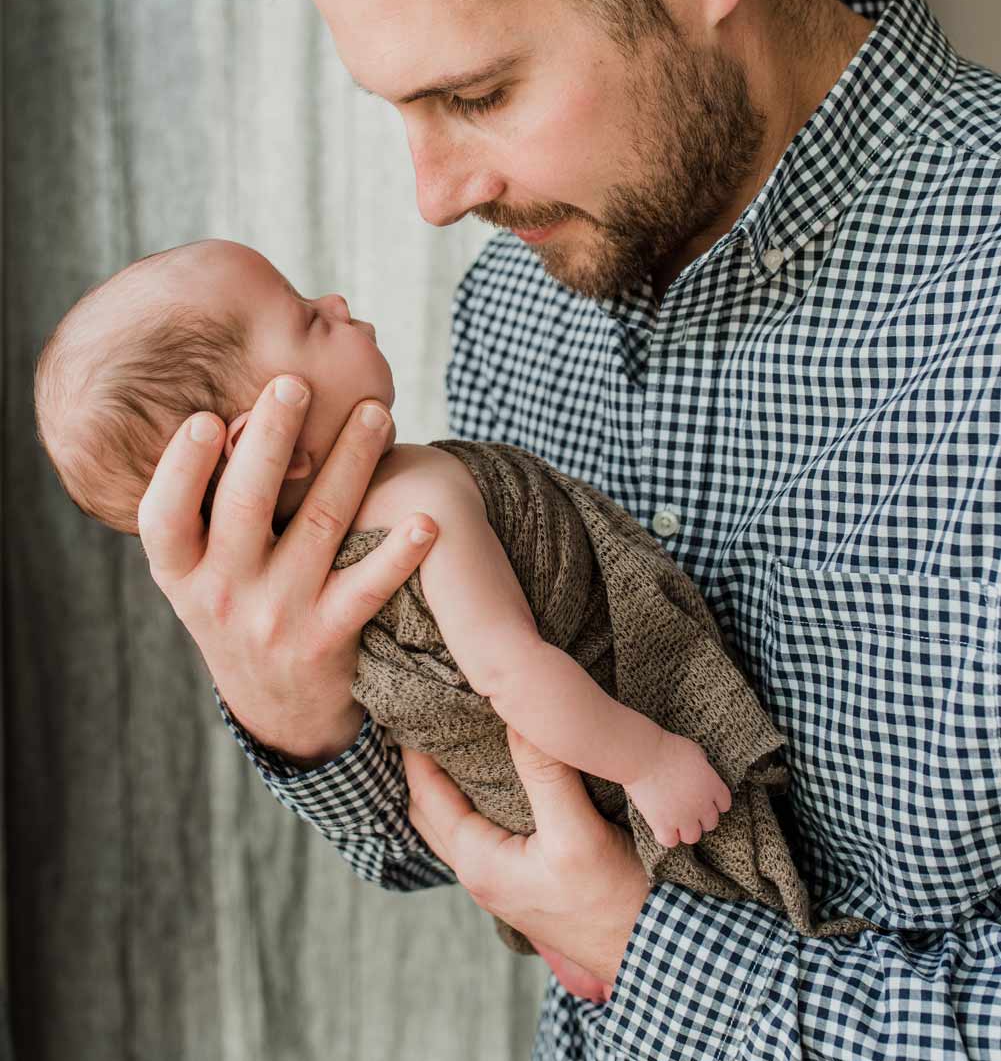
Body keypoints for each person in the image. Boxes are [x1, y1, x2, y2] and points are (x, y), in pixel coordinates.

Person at [139, 0, 1001, 1061]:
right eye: (398, 113)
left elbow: (602, 921)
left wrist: (644, 958)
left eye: (474, 95)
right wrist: (300, 709)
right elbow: (480, 831)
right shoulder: (516, 315)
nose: (431, 195)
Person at [35, 236, 757, 999]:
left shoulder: (316, 568)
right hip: (607, 774)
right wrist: (646, 760)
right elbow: (511, 672)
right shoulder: (420, 496)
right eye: (309, 321)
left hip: (535, 844)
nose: (338, 305)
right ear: (274, 440)